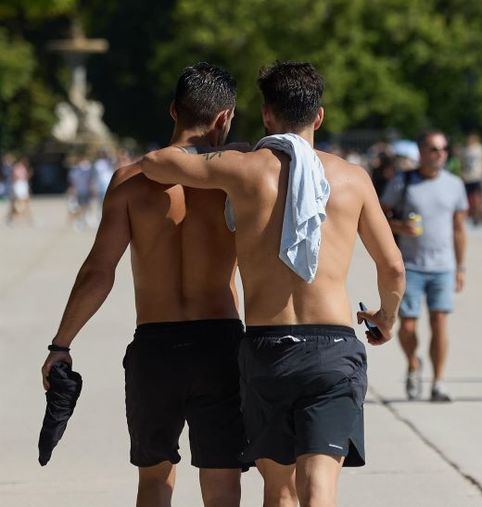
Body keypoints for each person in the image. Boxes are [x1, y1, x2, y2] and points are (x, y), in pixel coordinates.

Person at [141, 61, 405, 507]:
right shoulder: (352, 179)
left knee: (278, 490)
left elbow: (154, 164)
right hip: (332, 346)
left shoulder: (242, 169)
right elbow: (393, 267)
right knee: (319, 486)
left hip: (267, 348)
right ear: (318, 117)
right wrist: (386, 317)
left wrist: (236, 150)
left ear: (267, 115)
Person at [41, 62, 246, 507]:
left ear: (174, 110)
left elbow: (99, 271)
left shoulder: (131, 180)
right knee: (223, 482)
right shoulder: (238, 181)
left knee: (154, 481)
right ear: (225, 117)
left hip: (156, 345)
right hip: (220, 343)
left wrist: (62, 343)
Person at [381, 130, 468, 402]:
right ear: (421, 153)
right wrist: (400, 226)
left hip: (443, 266)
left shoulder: (455, 184)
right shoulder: (403, 181)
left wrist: (461, 267)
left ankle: (438, 382)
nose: (439, 154)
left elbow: (459, 228)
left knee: (439, 321)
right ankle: (413, 363)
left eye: (443, 149)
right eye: (433, 149)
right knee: (407, 327)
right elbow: (378, 215)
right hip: (411, 266)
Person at [461, 132, 482, 224]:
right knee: (469, 197)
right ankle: (472, 214)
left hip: (477, 175)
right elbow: (463, 163)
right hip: (468, 176)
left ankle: (479, 215)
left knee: (477, 197)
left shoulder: (480, 149)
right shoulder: (466, 149)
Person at [7, 156, 33, 225]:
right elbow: (15, 177)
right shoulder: (17, 167)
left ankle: (18, 215)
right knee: (19, 201)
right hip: (19, 184)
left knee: (24, 201)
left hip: (22, 184)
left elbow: (24, 177)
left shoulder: (23, 168)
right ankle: (17, 215)